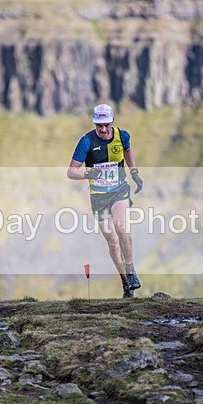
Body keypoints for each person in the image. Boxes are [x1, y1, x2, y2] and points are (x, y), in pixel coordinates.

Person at [67, 103, 144, 298]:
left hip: (119, 191)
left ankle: (130, 269)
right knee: (112, 241)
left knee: (120, 227)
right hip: (99, 196)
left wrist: (134, 171)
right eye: (98, 125)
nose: (102, 129)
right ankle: (125, 283)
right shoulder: (86, 141)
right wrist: (88, 173)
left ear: (112, 122)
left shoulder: (122, 136)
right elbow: (71, 171)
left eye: (106, 125)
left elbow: (128, 150)